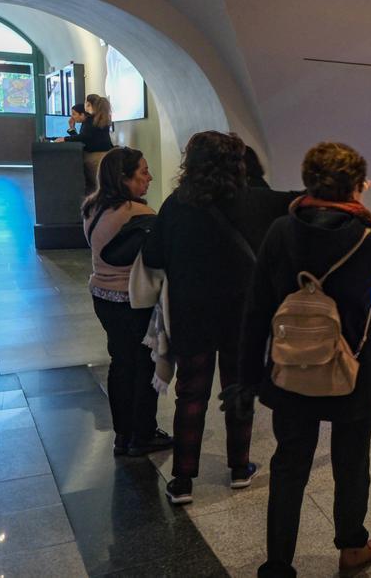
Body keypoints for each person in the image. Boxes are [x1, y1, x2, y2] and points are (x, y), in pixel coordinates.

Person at [228, 142, 371, 577]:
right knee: (352, 462)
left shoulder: (281, 231)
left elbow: (256, 308)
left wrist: (248, 377)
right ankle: (351, 546)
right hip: (352, 367)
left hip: (290, 367)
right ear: (354, 185)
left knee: (289, 463)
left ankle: (278, 562)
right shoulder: (367, 236)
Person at [140, 131, 269, 504]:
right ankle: (240, 467)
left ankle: (182, 480)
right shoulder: (250, 204)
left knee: (191, 394)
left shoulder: (176, 205)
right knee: (238, 388)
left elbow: (153, 257)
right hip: (240, 315)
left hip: (191, 313)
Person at [82, 147, 172, 457]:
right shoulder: (139, 213)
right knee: (143, 365)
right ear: (124, 178)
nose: (149, 177)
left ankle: (123, 434)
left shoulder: (91, 209)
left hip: (102, 297)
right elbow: (160, 254)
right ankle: (143, 434)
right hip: (134, 299)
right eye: (143, 172)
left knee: (120, 364)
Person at [58, 95, 115, 193]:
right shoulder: (100, 118)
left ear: (88, 104)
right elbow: (86, 137)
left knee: (96, 189)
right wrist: (72, 129)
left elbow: (84, 138)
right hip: (106, 155)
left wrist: (65, 139)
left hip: (94, 159)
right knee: (104, 187)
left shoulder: (90, 120)